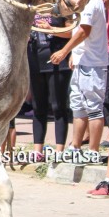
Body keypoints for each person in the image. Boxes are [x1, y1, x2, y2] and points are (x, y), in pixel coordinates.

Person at [50, 0, 109, 158]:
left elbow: (84, 31)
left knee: (93, 108)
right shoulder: (81, 1)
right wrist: (74, 54)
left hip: (94, 63)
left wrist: (64, 51)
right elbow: (78, 30)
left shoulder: (92, 0)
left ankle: (92, 150)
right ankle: (75, 147)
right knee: (78, 106)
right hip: (82, 61)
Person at [26, 14, 73, 160]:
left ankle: (59, 151)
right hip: (35, 61)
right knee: (38, 107)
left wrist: (51, 29)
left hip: (57, 62)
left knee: (58, 106)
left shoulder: (61, 9)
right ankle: (37, 150)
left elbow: (71, 32)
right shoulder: (33, 8)